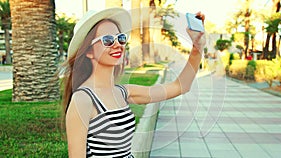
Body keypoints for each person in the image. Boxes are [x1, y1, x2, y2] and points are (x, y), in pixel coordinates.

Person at [61, 7, 206, 158]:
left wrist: (197, 47)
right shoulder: (83, 100)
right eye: (108, 40)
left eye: (120, 38)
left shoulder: (123, 92)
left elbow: (180, 86)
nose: (117, 44)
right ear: (89, 51)